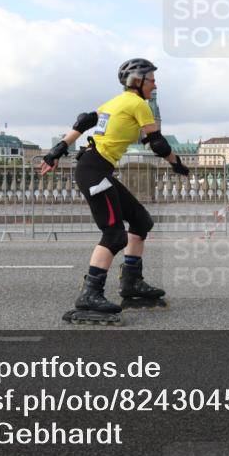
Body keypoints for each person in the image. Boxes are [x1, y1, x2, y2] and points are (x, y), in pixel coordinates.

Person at [41, 58, 190, 325]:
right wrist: (176, 163)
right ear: (137, 80)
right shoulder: (138, 104)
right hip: (94, 170)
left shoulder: (115, 102)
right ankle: (90, 295)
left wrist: (57, 150)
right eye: (151, 79)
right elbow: (156, 142)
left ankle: (131, 283)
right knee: (113, 234)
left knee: (141, 221)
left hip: (96, 168)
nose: (155, 84)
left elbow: (84, 121)